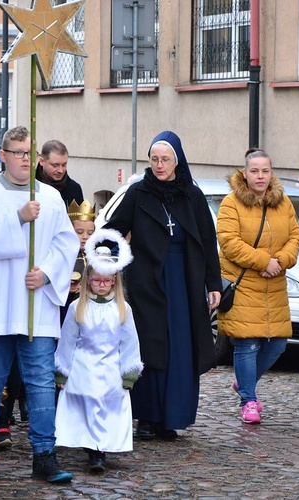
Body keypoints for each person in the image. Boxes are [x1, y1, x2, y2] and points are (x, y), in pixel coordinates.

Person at [0, 125, 79, 483]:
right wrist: (18, 218)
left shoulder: (51, 197)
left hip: (35, 304)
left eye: (30, 153)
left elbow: (66, 244)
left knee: (41, 382)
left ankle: (44, 452)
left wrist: (46, 273)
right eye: (18, 153)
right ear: (3, 155)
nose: (25, 159)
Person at [104, 131, 221, 439]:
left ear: (177, 160)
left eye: (165, 159)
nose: (159, 165)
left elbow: (208, 241)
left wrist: (213, 283)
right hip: (147, 281)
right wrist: (108, 260)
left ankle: (171, 418)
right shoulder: (138, 192)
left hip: (185, 279)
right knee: (150, 347)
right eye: (154, 159)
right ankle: (147, 417)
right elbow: (114, 230)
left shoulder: (191, 195)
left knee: (181, 349)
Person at [216, 150, 299, 424]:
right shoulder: (231, 203)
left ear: (271, 172)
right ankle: (248, 401)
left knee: (277, 343)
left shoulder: (284, 202)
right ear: (245, 173)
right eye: (254, 171)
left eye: (265, 171)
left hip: (273, 285)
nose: (260, 176)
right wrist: (264, 261)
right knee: (247, 343)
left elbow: (295, 236)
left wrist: (280, 261)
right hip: (243, 284)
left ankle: (245, 381)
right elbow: (229, 242)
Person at [54, 228, 143, 472]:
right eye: (97, 280)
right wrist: (62, 372)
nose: (102, 285)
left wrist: (129, 373)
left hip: (111, 368)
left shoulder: (123, 309)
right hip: (84, 367)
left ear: (114, 280)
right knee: (88, 404)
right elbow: (68, 341)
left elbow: (129, 342)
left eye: (107, 281)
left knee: (106, 405)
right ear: (88, 280)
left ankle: (101, 448)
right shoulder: (76, 308)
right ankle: (93, 449)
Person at [35, 140, 84, 207]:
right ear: (42, 161)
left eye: (64, 165)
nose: (60, 170)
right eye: (55, 165)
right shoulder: (29, 185)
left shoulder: (74, 189)